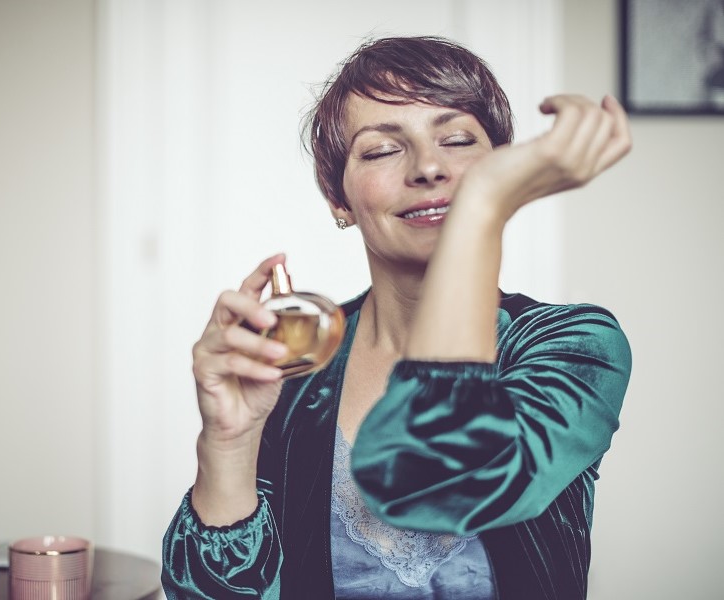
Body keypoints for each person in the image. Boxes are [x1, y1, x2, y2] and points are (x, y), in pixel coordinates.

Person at [161, 36, 632, 600]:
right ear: (339, 197)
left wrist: (480, 207)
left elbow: (439, 477)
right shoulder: (292, 362)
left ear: (508, 171)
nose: (429, 167)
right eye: (382, 150)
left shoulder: (572, 344)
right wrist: (229, 444)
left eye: (458, 141)